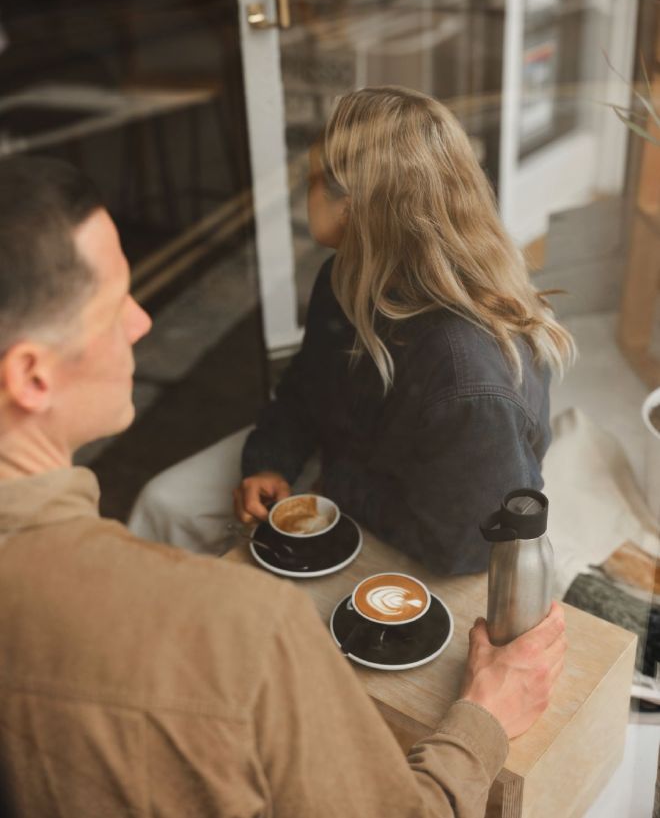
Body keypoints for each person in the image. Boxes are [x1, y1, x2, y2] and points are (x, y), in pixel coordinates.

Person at [0, 155, 567, 818]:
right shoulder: (250, 631)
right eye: (113, 305)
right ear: (31, 376)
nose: (143, 322)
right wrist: (483, 719)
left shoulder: (464, 374)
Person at [129, 86, 575, 573]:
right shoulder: (345, 277)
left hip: (424, 527)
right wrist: (270, 461)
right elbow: (306, 388)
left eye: (313, 180)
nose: (301, 192)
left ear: (354, 209)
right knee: (162, 503)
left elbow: (467, 547)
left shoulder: (468, 378)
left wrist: (338, 485)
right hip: (351, 463)